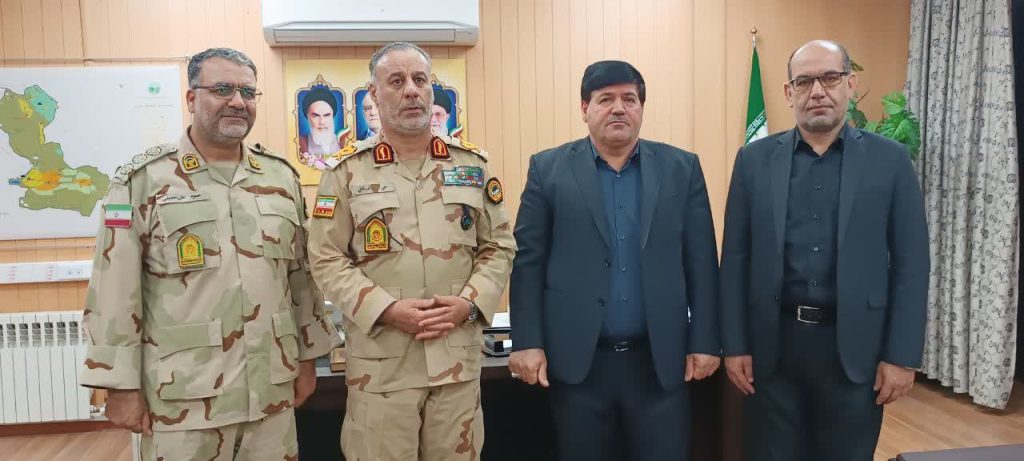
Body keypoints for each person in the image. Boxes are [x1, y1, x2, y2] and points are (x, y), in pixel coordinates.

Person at [78, 48, 338, 460]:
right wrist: (119, 385)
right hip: (184, 400)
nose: (237, 101)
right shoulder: (143, 181)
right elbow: (114, 290)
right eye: (222, 89)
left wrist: (308, 357)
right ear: (191, 98)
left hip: (270, 392)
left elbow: (299, 279)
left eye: (248, 92)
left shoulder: (280, 177)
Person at [719, 40, 929, 461]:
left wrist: (902, 356)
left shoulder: (890, 161)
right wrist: (735, 344)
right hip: (773, 350)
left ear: (850, 84)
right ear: (788, 92)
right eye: (804, 82)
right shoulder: (754, 161)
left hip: (855, 351)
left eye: (830, 78)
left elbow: (912, 264)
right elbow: (735, 260)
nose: (817, 91)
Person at [307, 41, 516, 461]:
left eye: (420, 80)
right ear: (374, 94)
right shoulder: (346, 172)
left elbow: (499, 246)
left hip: (455, 362)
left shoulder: (471, 166)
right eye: (397, 81)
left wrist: (468, 304)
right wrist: (385, 309)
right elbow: (326, 258)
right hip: (382, 367)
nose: (411, 91)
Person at [508, 60, 721, 461]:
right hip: (579, 364)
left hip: (659, 363)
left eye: (629, 99)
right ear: (584, 108)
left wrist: (706, 339)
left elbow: (702, 261)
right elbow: (528, 262)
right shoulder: (548, 169)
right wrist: (527, 341)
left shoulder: (681, 168)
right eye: (605, 99)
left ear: (641, 107)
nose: (619, 108)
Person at [299, 86, 343, 158]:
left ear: (332, 116)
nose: (322, 122)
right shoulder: (299, 144)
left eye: (326, 115)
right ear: (308, 117)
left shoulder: (344, 143)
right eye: (316, 116)